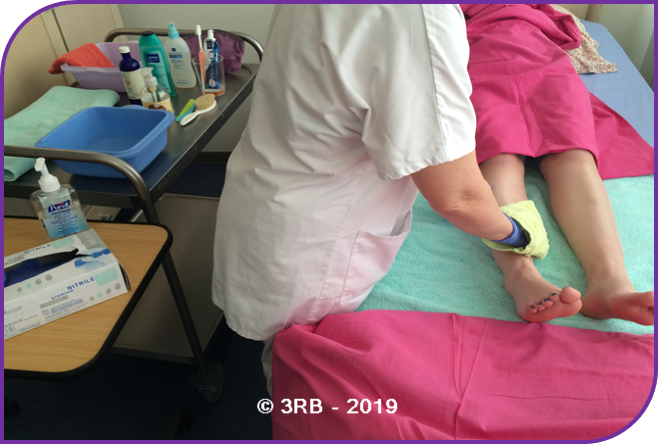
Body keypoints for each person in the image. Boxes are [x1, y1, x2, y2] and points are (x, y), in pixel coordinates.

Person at [211, 4, 530, 388]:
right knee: (300, 367)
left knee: (286, 350)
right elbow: (458, 196)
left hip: (265, 187)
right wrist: (515, 233)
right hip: (313, 236)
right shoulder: (416, 18)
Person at [462, 4, 654, 325]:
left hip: (548, 70)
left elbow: (570, 34)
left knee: (575, 156)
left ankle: (610, 282)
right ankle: (520, 276)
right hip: (476, 65)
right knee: (498, 159)